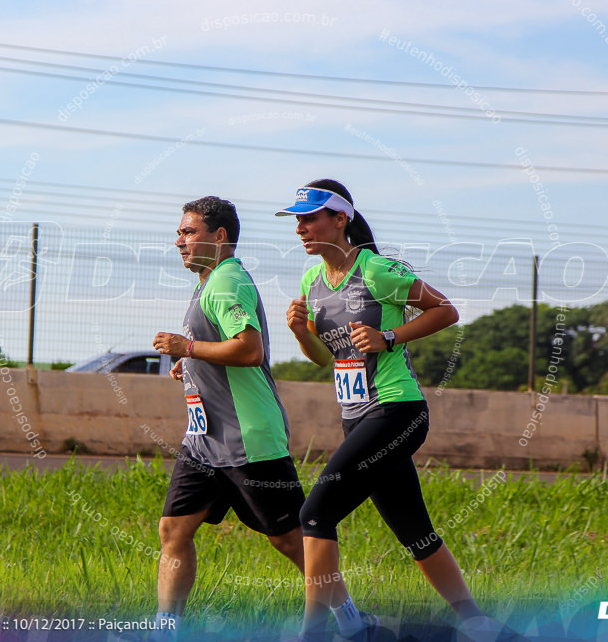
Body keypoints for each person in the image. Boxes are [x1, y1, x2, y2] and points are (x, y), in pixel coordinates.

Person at [277, 180, 502, 642]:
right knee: (414, 530)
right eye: (296, 221)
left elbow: (446, 310)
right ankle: (477, 623)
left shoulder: (377, 269)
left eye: (310, 218)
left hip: (397, 411)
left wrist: (390, 337)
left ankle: (314, 633)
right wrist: (302, 333)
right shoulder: (311, 281)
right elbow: (324, 358)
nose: (301, 228)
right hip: (356, 416)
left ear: (341, 219)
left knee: (315, 514)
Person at [150, 196, 363, 641]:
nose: (179, 242)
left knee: (289, 540)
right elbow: (216, 346)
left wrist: (185, 349)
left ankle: (352, 620)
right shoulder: (209, 281)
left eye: (188, 232)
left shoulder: (227, 282)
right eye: (179, 233)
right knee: (174, 529)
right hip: (204, 440)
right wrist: (190, 363)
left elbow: (249, 350)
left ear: (219, 236)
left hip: (249, 439)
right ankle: (166, 630)